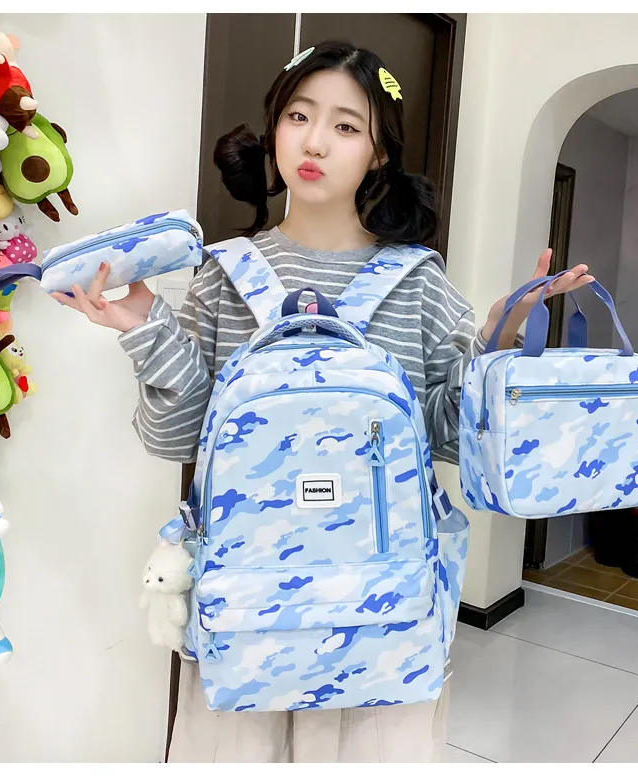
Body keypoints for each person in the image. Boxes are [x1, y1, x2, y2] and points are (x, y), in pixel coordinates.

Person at [54, 41, 593, 763]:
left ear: (378, 153)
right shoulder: (225, 274)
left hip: (383, 619)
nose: (314, 142)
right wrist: (146, 328)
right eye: (299, 116)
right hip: (248, 615)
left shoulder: (418, 283)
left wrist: (497, 342)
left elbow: (448, 437)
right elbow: (178, 438)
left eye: (346, 126)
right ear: (273, 129)